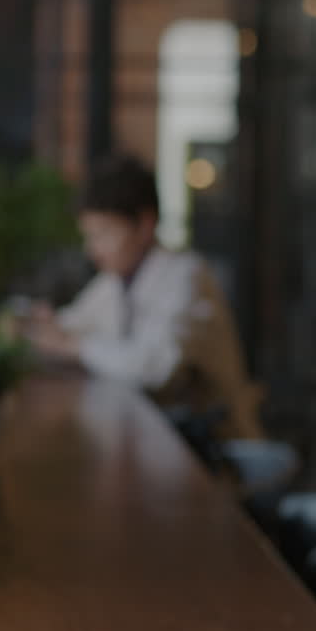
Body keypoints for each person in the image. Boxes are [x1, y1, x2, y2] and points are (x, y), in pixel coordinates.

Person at [27, 154, 263, 440]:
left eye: (103, 234)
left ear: (144, 225)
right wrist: (44, 325)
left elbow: (155, 368)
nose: (92, 250)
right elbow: (74, 323)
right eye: (88, 236)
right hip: (157, 437)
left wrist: (72, 344)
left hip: (213, 450)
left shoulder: (185, 278)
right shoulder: (117, 281)